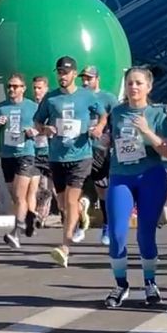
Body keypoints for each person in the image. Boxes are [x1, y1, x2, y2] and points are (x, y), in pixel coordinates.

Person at [102, 68, 167, 307]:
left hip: (150, 177)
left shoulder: (158, 114)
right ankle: (120, 284)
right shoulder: (116, 112)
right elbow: (110, 140)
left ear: (149, 87)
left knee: (145, 234)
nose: (133, 87)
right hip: (121, 176)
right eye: (129, 83)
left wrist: (146, 131)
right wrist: (105, 142)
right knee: (116, 233)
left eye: (138, 83)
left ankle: (150, 282)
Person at [33, 56, 110, 267]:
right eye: (59, 72)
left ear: (74, 74)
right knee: (62, 204)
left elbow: (103, 116)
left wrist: (99, 128)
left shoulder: (86, 96)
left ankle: (64, 247)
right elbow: (37, 121)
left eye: (66, 73)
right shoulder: (51, 99)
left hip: (81, 155)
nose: (62, 76)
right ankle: (80, 211)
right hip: (57, 157)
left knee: (69, 201)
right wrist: (44, 129)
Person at [0, 73, 41, 249]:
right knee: (15, 197)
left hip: (26, 154)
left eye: (15, 86)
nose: (11, 90)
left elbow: (43, 126)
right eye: (9, 86)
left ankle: (16, 232)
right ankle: (30, 217)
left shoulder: (32, 107)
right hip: (7, 156)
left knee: (19, 194)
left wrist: (35, 131)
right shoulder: (1, 108)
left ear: (23, 88)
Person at [81, 65, 119, 245]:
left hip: (100, 149)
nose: (85, 81)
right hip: (78, 148)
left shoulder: (108, 98)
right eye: (84, 78)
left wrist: (108, 137)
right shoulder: (78, 97)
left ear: (97, 79)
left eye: (89, 78)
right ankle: (78, 224)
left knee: (102, 188)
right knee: (74, 188)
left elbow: (117, 122)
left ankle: (107, 226)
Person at [28, 75, 55, 224]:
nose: (37, 91)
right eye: (35, 88)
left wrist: (45, 130)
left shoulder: (51, 106)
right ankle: (39, 216)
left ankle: (71, 216)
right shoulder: (31, 107)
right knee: (38, 186)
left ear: (46, 89)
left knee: (53, 188)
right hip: (35, 151)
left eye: (40, 88)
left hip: (51, 151)